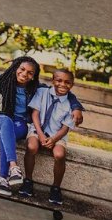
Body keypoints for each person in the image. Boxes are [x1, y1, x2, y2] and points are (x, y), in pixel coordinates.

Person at [0, 57, 84, 197]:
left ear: (34, 76)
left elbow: (63, 91)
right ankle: (12, 168)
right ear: (15, 68)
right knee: (6, 122)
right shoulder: (1, 81)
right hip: (0, 118)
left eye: (30, 72)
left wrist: (76, 107)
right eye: (22, 69)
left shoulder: (36, 88)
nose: (24, 74)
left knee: (6, 135)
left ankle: (3, 180)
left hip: (20, 123)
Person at [21, 68, 78, 205]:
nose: (62, 84)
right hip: (37, 129)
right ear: (53, 81)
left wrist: (53, 139)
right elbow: (35, 114)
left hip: (57, 134)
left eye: (67, 82)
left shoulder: (72, 104)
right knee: (31, 147)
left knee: (59, 154)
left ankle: (56, 188)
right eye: (58, 80)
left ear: (72, 84)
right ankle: (28, 181)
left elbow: (65, 128)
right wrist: (40, 134)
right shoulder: (42, 93)